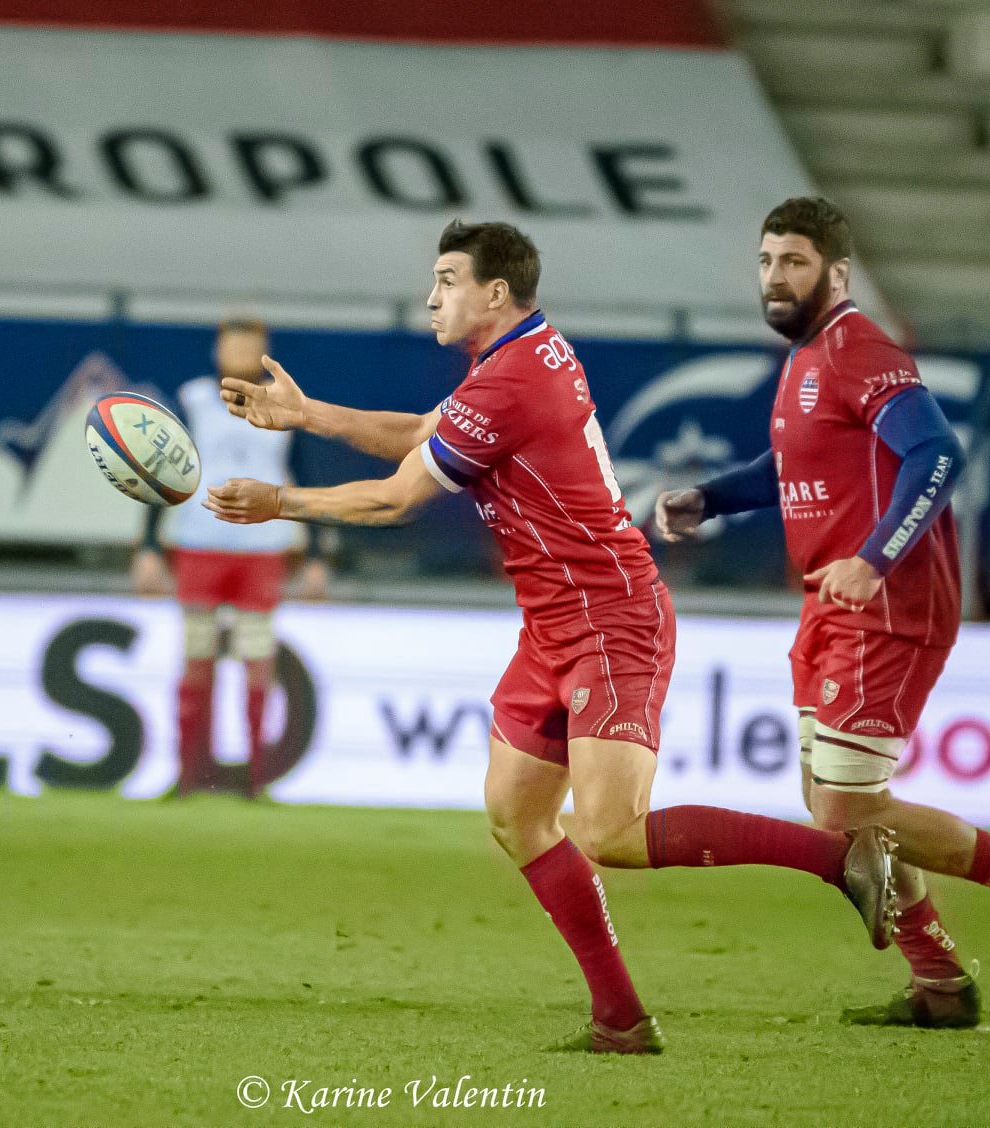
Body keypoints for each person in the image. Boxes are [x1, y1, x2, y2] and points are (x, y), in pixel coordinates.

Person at [205, 219, 898, 1054]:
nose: (431, 297)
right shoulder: (518, 358)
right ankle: (620, 1018)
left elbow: (395, 499)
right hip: (554, 625)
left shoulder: (512, 380)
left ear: (494, 293)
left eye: (447, 280)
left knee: (609, 830)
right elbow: (425, 437)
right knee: (516, 812)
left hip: (610, 617)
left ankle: (843, 857)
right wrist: (308, 415)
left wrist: (281, 504)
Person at [655, 197, 990, 1028]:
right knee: (827, 798)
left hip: (887, 603)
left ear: (836, 272)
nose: (774, 277)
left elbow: (939, 452)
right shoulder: (805, 361)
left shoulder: (860, 347)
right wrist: (711, 497)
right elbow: (792, 463)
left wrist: (874, 558)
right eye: (765, 261)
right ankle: (938, 980)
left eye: (792, 262)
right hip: (830, 602)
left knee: (845, 809)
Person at [131, 317, 330, 797]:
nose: (239, 351)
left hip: (263, 549)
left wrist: (319, 553)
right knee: (196, 656)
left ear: (264, 349)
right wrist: (149, 546)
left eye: (249, 343)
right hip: (200, 543)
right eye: (231, 342)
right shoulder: (193, 399)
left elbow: (304, 476)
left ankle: (256, 777)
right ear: (218, 349)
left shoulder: (287, 405)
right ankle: (188, 774)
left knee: (257, 657)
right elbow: (161, 473)